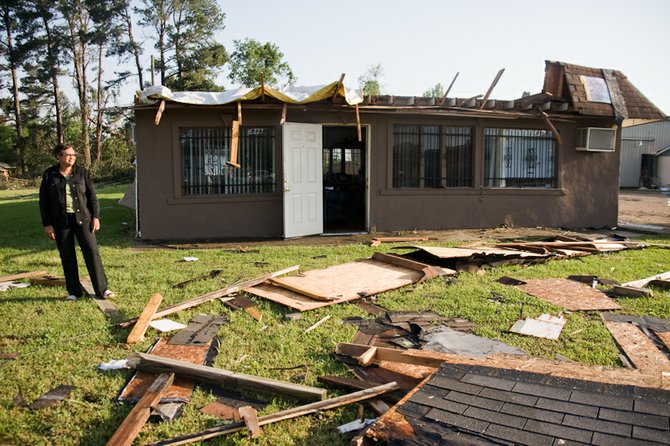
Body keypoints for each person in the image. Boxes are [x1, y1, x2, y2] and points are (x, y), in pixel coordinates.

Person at [39, 143, 114, 300]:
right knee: (67, 256)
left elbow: (92, 196)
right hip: (61, 221)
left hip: (84, 219)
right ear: (59, 156)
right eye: (68, 154)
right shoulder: (49, 174)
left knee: (92, 253)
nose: (71, 157)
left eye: (73, 154)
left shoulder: (82, 173)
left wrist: (96, 217)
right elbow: (43, 201)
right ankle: (74, 292)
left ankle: (102, 289)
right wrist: (47, 224)